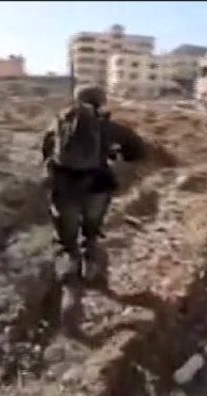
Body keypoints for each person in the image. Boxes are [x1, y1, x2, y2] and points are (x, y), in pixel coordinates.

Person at [40, 84, 146, 281]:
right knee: (92, 222)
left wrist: (50, 171)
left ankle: (69, 258)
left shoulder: (60, 122)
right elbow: (137, 147)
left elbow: (46, 149)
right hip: (97, 184)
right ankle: (90, 256)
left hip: (63, 185)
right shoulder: (108, 126)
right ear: (101, 101)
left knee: (65, 223)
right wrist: (119, 155)